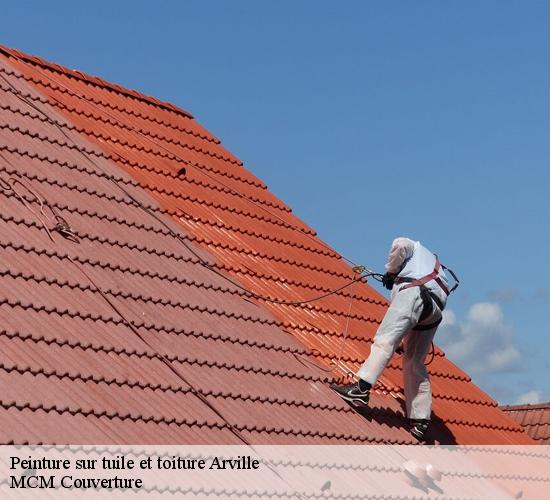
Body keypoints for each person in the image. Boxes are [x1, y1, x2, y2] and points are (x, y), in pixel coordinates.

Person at [331, 237, 451, 441]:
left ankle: (361, 388)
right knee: (414, 361)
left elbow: (400, 245)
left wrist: (391, 271)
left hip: (415, 294)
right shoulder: (436, 267)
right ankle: (420, 419)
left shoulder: (414, 246)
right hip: (434, 311)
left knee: (384, 340)